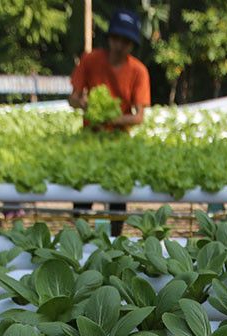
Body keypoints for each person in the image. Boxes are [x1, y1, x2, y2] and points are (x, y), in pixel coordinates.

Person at [68, 8, 151, 237]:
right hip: (89, 141)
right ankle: (80, 239)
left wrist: (112, 119)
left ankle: (116, 239)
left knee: (117, 193)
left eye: (126, 41)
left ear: (132, 44)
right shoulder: (90, 60)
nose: (120, 45)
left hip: (119, 143)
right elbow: (73, 99)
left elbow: (139, 116)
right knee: (84, 193)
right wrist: (85, 105)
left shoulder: (138, 71)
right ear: (109, 38)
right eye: (117, 38)